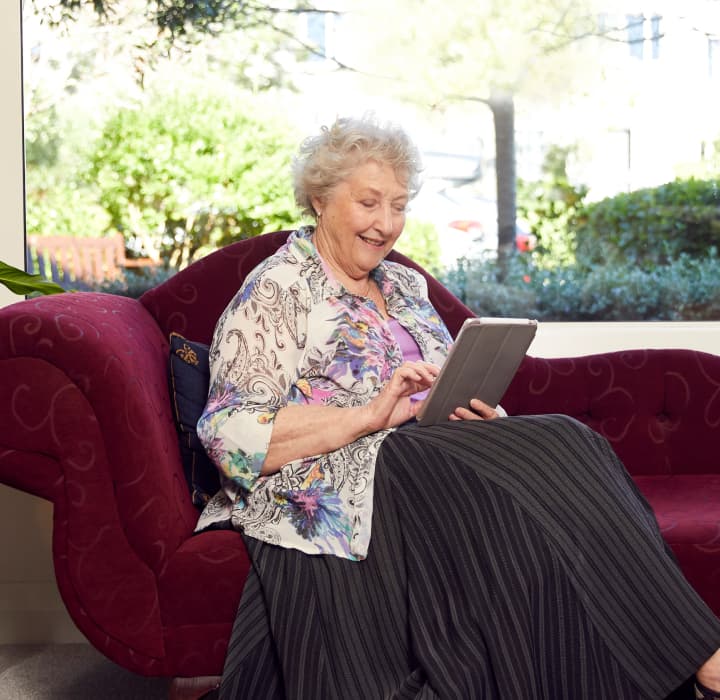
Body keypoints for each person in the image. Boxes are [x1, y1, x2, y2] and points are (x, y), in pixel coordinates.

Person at [195, 114, 720, 699]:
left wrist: (478, 417)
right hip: (352, 471)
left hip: (430, 455)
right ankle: (701, 657)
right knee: (559, 441)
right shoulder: (279, 288)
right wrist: (369, 414)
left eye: (398, 205)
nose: (386, 224)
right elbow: (229, 433)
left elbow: (436, 387)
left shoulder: (406, 287)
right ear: (320, 199)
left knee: (569, 442)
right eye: (369, 203)